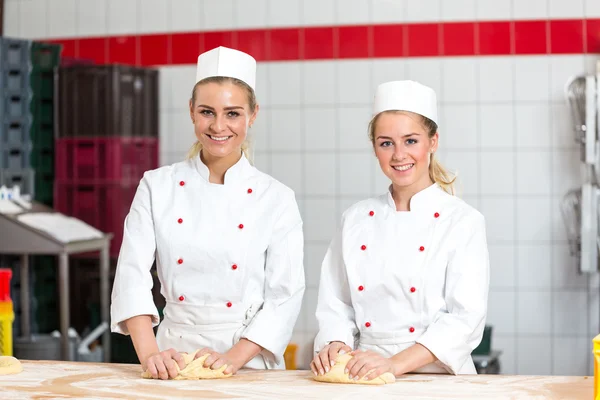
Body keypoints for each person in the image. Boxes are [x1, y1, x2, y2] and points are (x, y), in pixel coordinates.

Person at [110, 46, 305, 380]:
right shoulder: (157, 186)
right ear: (191, 111)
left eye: (232, 113)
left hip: (249, 362)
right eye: (207, 112)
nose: (218, 126)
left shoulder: (276, 198)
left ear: (252, 114)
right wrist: (150, 356)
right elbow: (131, 275)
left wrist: (232, 358)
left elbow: (284, 295)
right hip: (173, 358)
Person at [311, 80, 490, 380]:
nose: (398, 155)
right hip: (364, 373)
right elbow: (336, 303)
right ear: (374, 148)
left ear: (433, 141)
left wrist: (394, 364)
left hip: (437, 376)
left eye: (410, 141)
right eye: (386, 143)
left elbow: (464, 320)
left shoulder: (462, 221)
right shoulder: (354, 219)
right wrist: (336, 343)